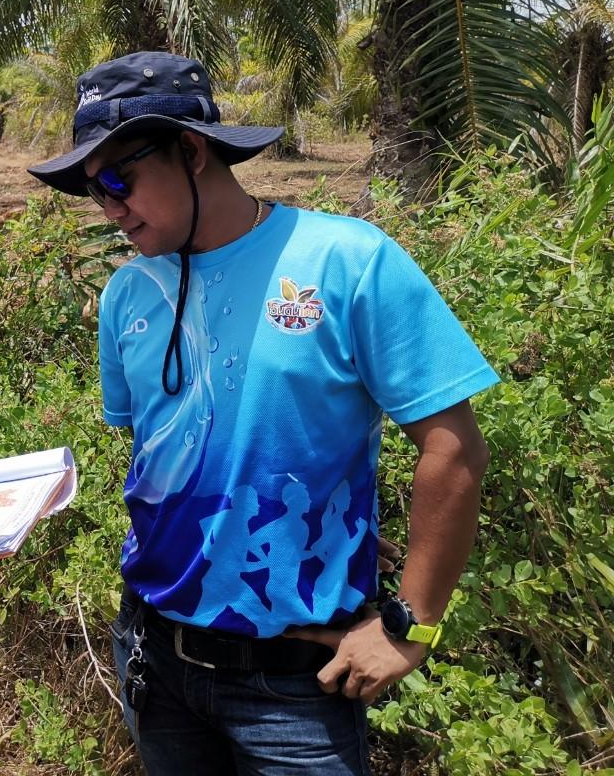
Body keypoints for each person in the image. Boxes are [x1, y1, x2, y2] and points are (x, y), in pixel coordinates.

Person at [27, 52, 498, 775]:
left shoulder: (346, 261)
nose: (109, 206)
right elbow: (158, 457)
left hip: (294, 685)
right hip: (156, 654)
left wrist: (412, 626)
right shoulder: (127, 294)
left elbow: (454, 450)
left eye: (120, 178)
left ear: (191, 150)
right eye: (92, 190)